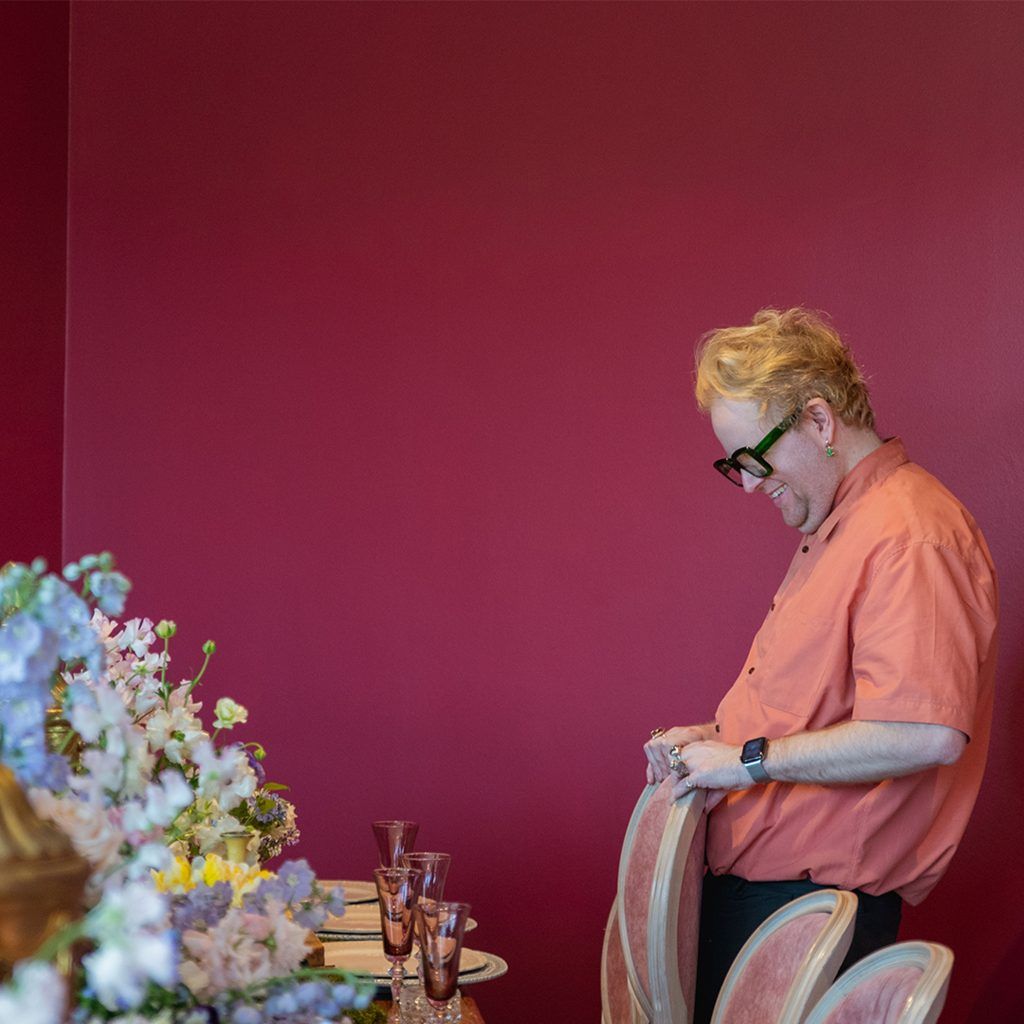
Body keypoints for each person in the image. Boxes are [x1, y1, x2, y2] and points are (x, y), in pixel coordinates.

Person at [643, 308, 998, 1024]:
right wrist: (711, 738)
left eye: (752, 458)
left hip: (812, 912)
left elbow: (922, 733)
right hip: (770, 903)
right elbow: (816, 714)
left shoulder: (908, 533)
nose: (747, 486)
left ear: (818, 421)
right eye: (732, 466)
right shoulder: (846, 527)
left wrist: (742, 759)